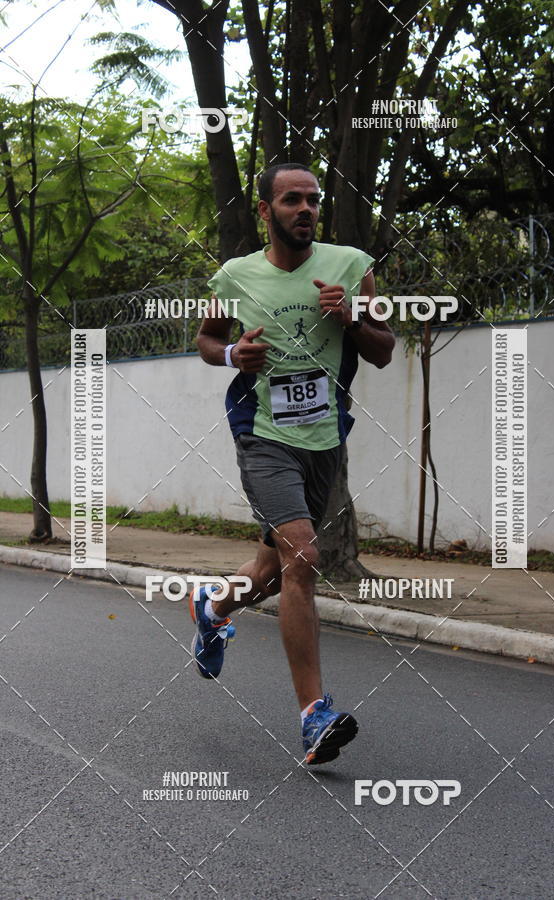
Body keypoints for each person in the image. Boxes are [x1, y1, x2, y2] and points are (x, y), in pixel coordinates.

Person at [191, 163, 394, 765]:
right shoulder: (236, 276)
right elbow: (206, 341)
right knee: (303, 554)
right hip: (263, 434)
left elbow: (383, 352)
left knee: (274, 568)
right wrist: (234, 352)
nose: (305, 209)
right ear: (266, 212)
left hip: (324, 436)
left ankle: (213, 608)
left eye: (312, 200)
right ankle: (315, 716)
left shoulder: (352, 266)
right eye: (291, 200)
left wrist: (350, 319)